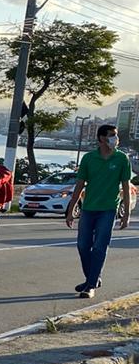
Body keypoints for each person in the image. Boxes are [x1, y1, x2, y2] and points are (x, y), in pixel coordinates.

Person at [66, 123, 132, 298]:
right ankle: (93, 279)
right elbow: (79, 185)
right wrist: (71, 209)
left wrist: (126, 214)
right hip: (88, 208)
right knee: (82, 245)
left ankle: (90, 286)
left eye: (115, 135)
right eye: (112, 135)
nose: (115, 139)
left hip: (109, 209)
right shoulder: (89, 158)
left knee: (99, 247)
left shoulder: (121, 159)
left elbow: (126, 187)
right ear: (102, 138)